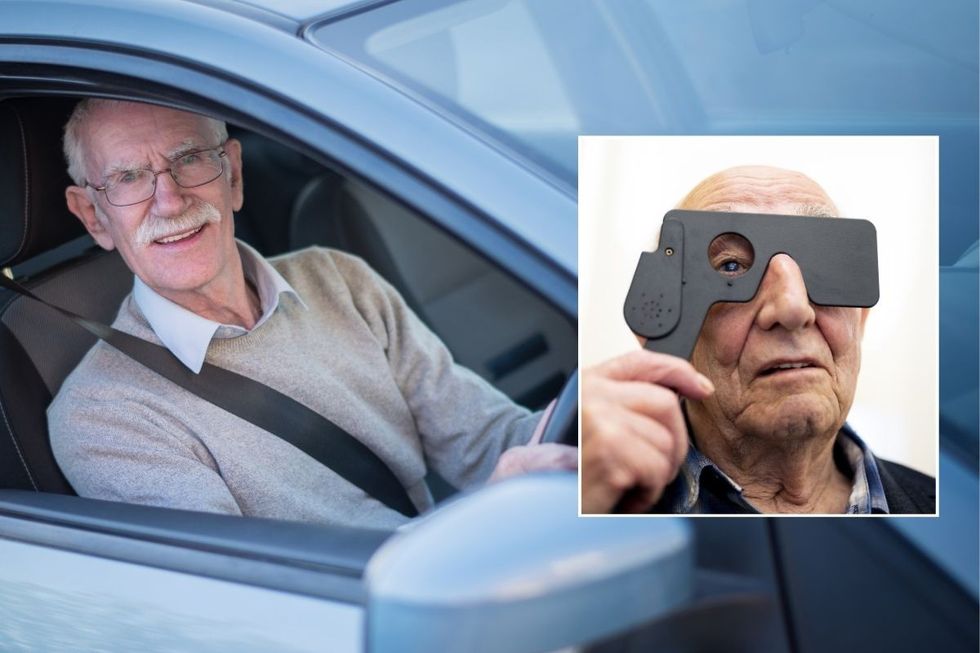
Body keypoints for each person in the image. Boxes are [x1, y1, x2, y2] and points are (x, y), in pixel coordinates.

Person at [48, 99, 575, 529]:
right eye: (128, 178)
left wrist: (606, 415)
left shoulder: (338, 279)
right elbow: (254, 596)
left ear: (231, 174)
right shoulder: (101, 415)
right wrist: (485, 523)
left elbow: (486, 441)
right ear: (92, 216)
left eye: (188, 159)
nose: (168, 200)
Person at [581, 165, 935, 515]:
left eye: (822, 266)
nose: (792, 309)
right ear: (661, 324)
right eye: (731, 267)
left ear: (860, 320)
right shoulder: (589, 504)